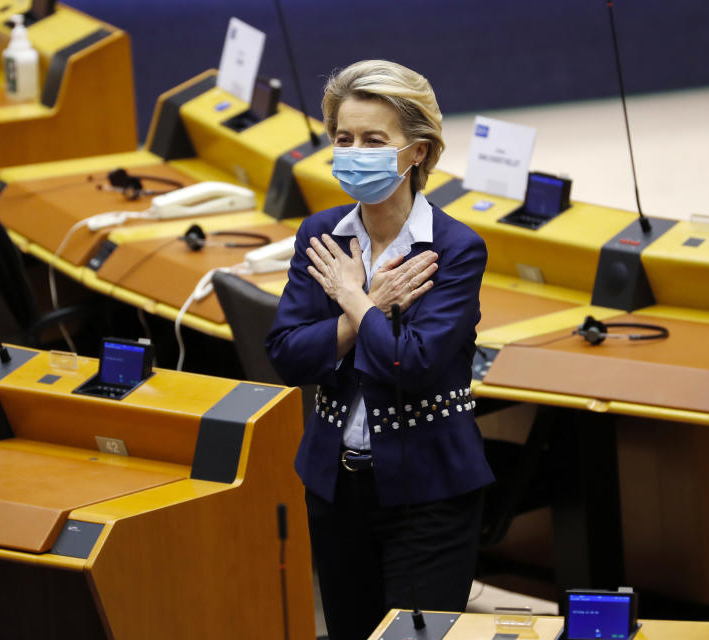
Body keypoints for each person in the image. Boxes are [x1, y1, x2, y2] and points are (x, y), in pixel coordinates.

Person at [265, 60, 494, 640]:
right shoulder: (321, 233)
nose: (353, 152)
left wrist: (350, 300)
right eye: (343, 139)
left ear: (416, 152)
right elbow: (288, 354)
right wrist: (360, 305)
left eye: (373, 140)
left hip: (428, 493)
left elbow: (411, 365)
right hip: (335, 487)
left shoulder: (454, 249)